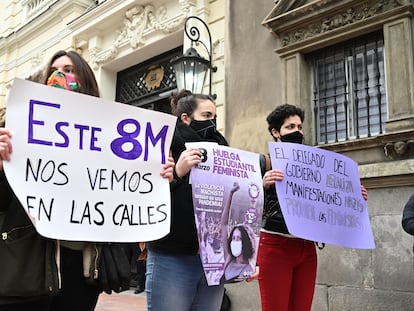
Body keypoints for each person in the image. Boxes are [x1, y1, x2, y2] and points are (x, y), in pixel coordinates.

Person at [0, 50, 175, 311]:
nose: (61, 76)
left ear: (85, 80)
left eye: (70, 70)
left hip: (83, 265)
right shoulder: (18, 127)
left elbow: (124, 190)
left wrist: (157, 176)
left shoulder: (107, 134)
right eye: (54, 71)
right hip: (32, 263)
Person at [249, 104, 369, 311]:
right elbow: (243, 203)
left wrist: (354, 197)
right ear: (276, 133)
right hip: (275, 246)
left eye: (299, 126)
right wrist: (261, 184)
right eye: (290, 127)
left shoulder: (315, 165)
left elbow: (328, 198)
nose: (297, 131)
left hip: (307, 248)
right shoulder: (264, 162)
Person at [146, 90, 228, 311]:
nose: (212, 122)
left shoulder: (224, 150)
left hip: (213, 257)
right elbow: (145, 195)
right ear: (185, 118)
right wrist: (179, 173)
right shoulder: (162, 142)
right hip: (172, 255)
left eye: (215, 117)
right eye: (207, 115)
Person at [220, 182, 255, 283]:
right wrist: (231, 194)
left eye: (238, 238)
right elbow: (224, 223)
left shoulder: (249, 268)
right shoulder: (229, 258)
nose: (235, 242)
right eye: (234, 238)